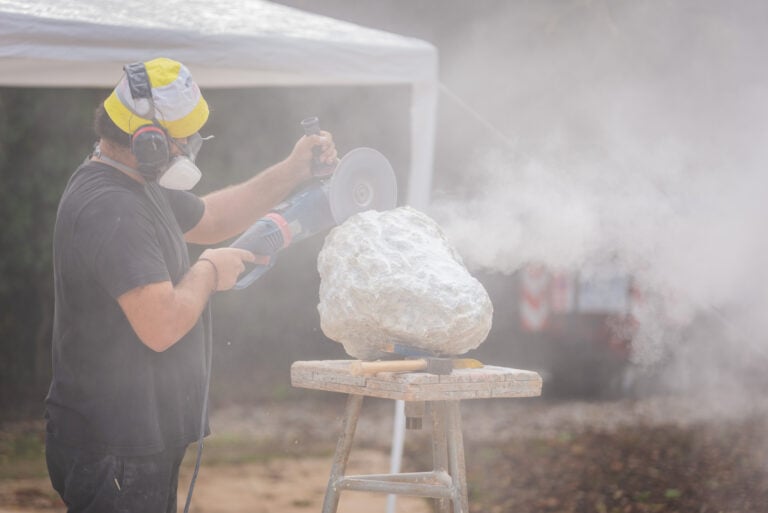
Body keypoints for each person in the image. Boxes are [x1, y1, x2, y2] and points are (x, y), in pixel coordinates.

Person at [44, 57, 337, 513]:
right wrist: (207, 271)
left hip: (135, 437)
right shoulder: (111, 208)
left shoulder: (136, 182)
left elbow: (214, 217)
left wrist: (293, 170)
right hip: (115, 445)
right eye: (185, 140)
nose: (191, 148)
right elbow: (160, 325)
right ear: (151, 141)